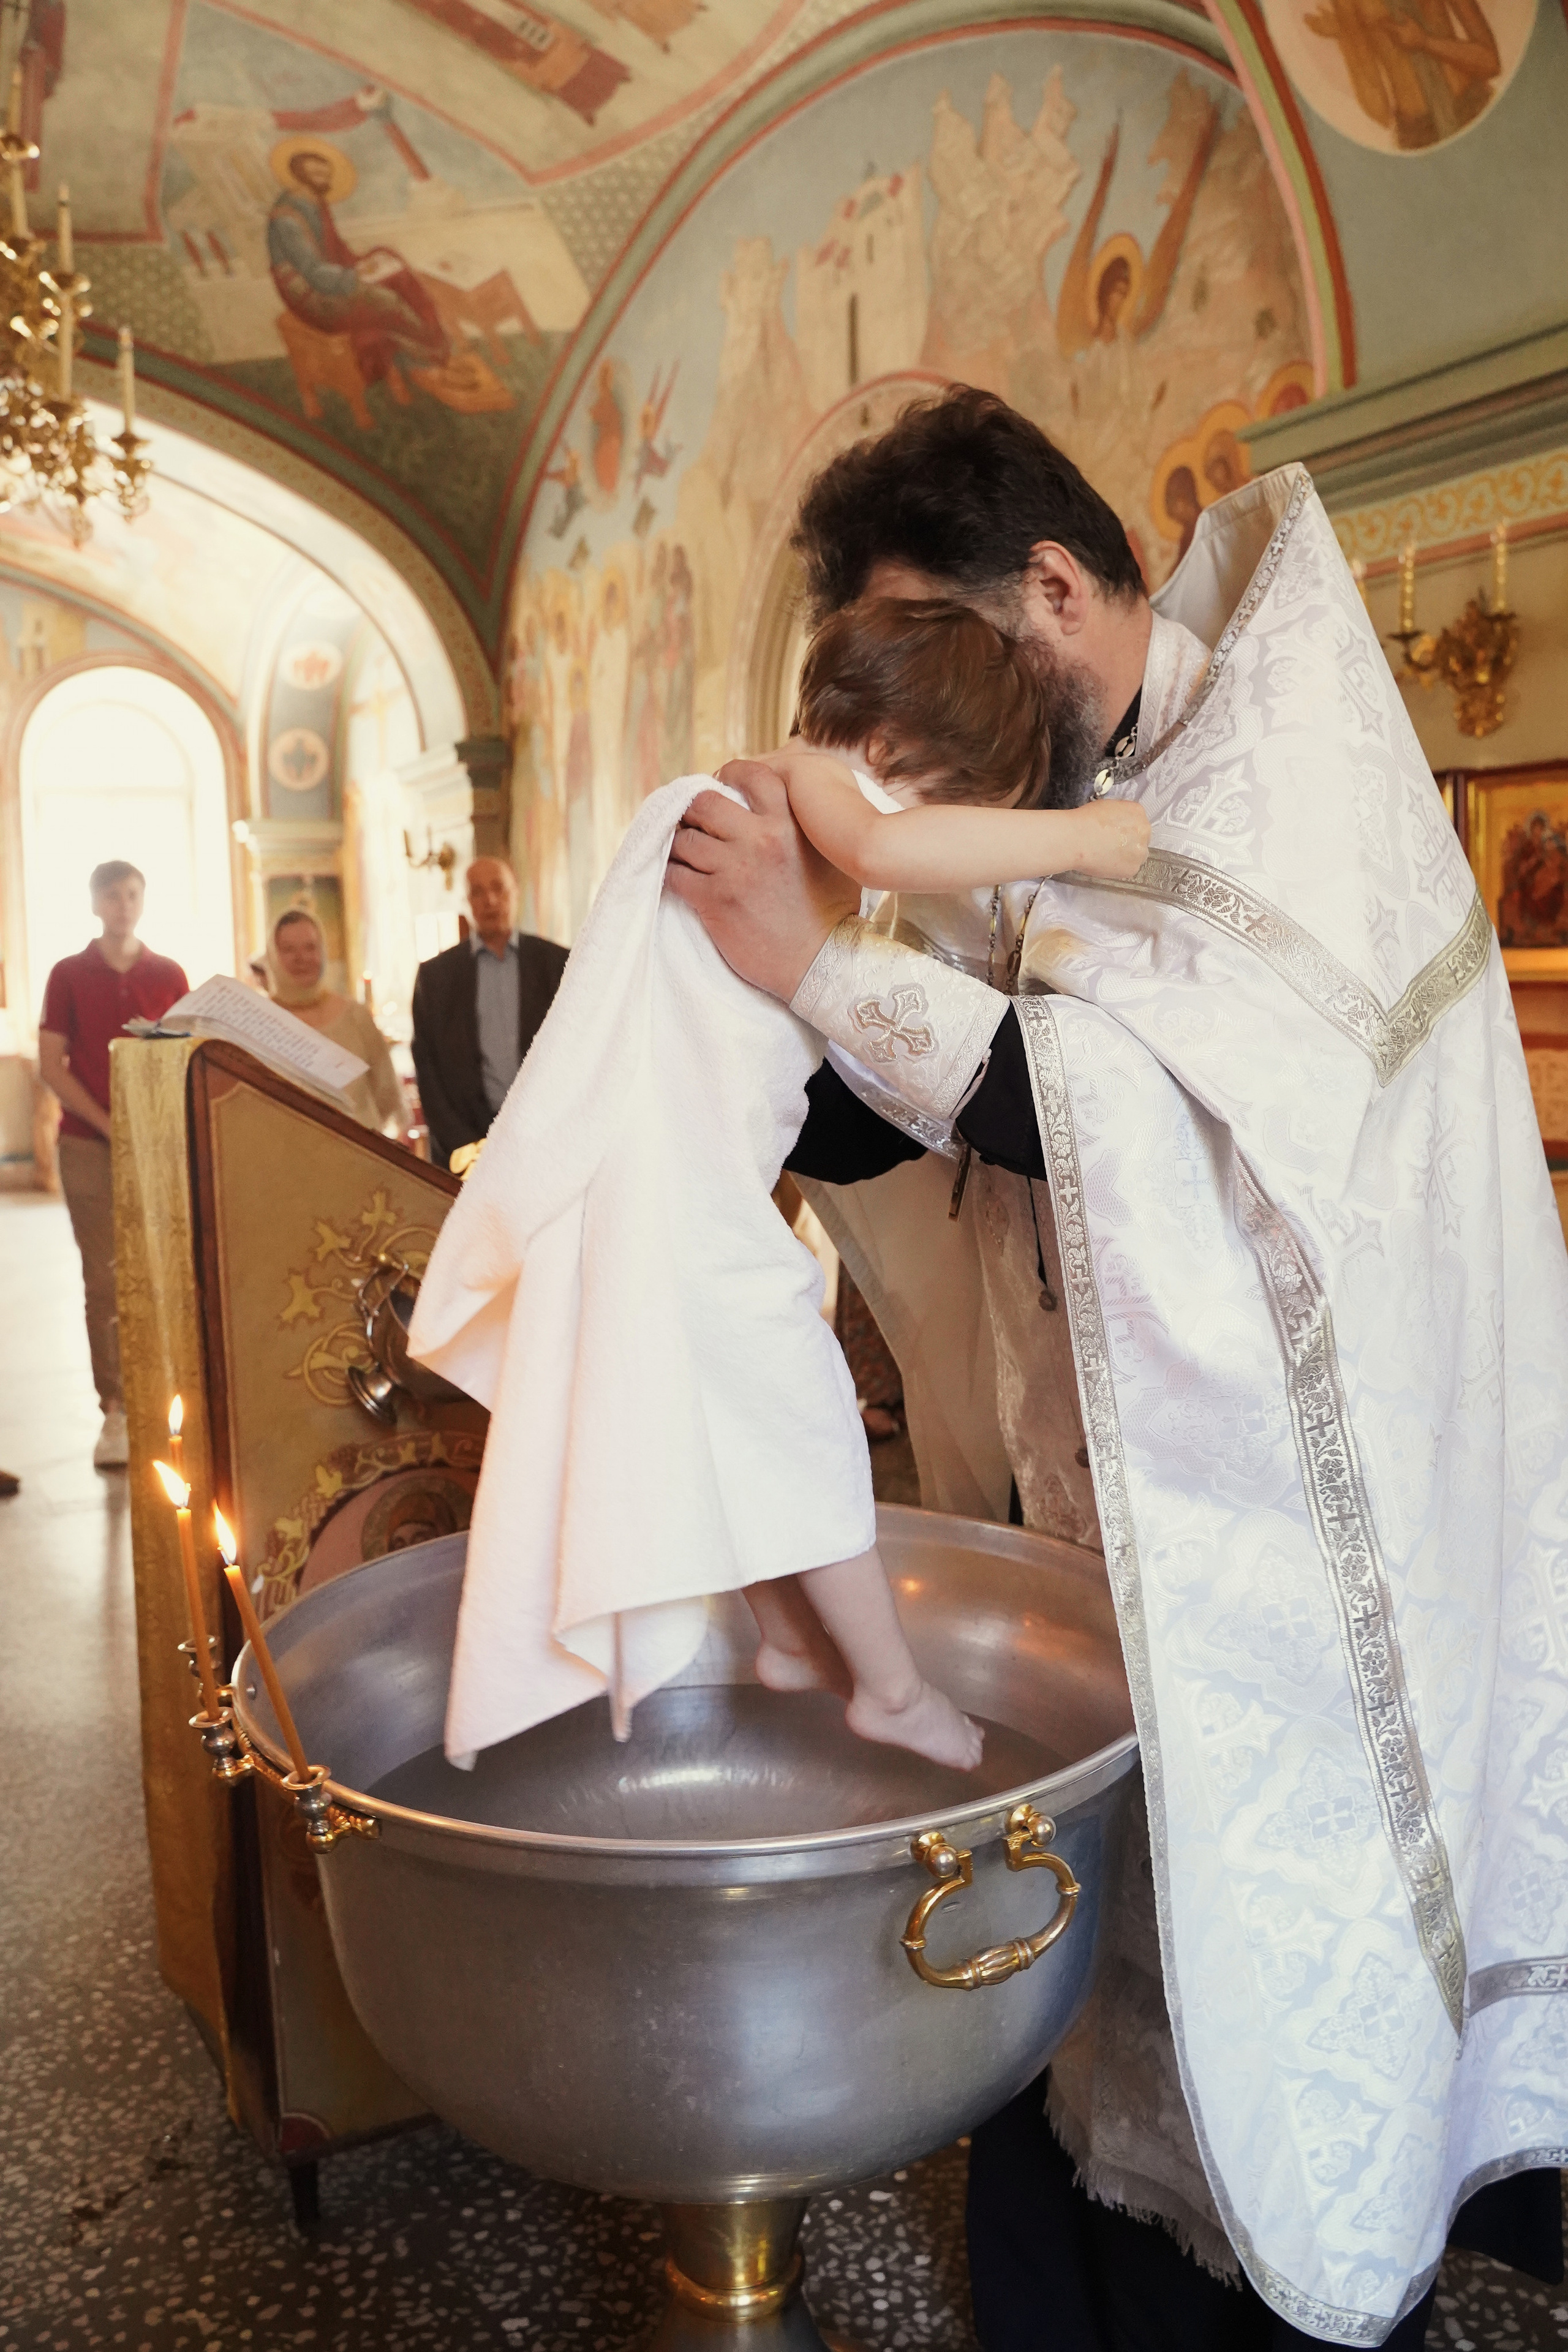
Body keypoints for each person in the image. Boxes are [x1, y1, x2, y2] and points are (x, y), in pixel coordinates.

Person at [667, 387, 1567, 2348]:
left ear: (1052, 584)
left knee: (1261, 2146)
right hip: (1107, 1541)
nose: (917, 728)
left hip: (1306, 1578)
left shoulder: (1288, 783)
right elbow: (935, 1126)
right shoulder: (1042, 790)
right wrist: (748, 1008)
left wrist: (816, 968)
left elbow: (1129, 1130)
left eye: (934, 650)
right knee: (1072, 2087)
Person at [409, 595, 1146, 1776]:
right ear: (904, 754)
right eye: (967, 801)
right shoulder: (799, 785)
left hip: (670, 1194)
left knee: (727, 1419)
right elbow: (896, 850)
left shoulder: (753, 810)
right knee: (803, 1421)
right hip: (683, 1204)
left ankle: (790, 1637)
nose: (954, 839)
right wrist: (1088, 837)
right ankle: (893, 1692)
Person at [38, 861, 187, 1468]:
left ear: (143, 901)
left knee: (163, 1269)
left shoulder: (168, 973)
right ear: (96, 903)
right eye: (111, 895)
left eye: (132, 894)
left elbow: (186, 1053)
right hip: (87, 1144)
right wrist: (108, 1126)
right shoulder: (69, 974)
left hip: (158, 1145)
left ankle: (166, 1400)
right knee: (104, 1278)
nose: (122, 905)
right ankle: (117, 1411)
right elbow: (52, 1065)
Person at [409, 858, 568, 1170]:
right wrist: (466, 1150)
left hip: (547, 1146)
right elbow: (428, 1074)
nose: (490, 900)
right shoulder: (437, 978)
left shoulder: (558, 966)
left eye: (499, 888)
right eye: (478, 892)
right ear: (468, 902)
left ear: (515, 893)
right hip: (467, 1153)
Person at [267, 910, 404, 1135]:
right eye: (289, 950)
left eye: (310, 947)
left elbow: (387, 1096)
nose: (301, 958)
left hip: (357, 1156)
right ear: (272, 956)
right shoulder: (259, 1021)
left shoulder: (356, 1018)